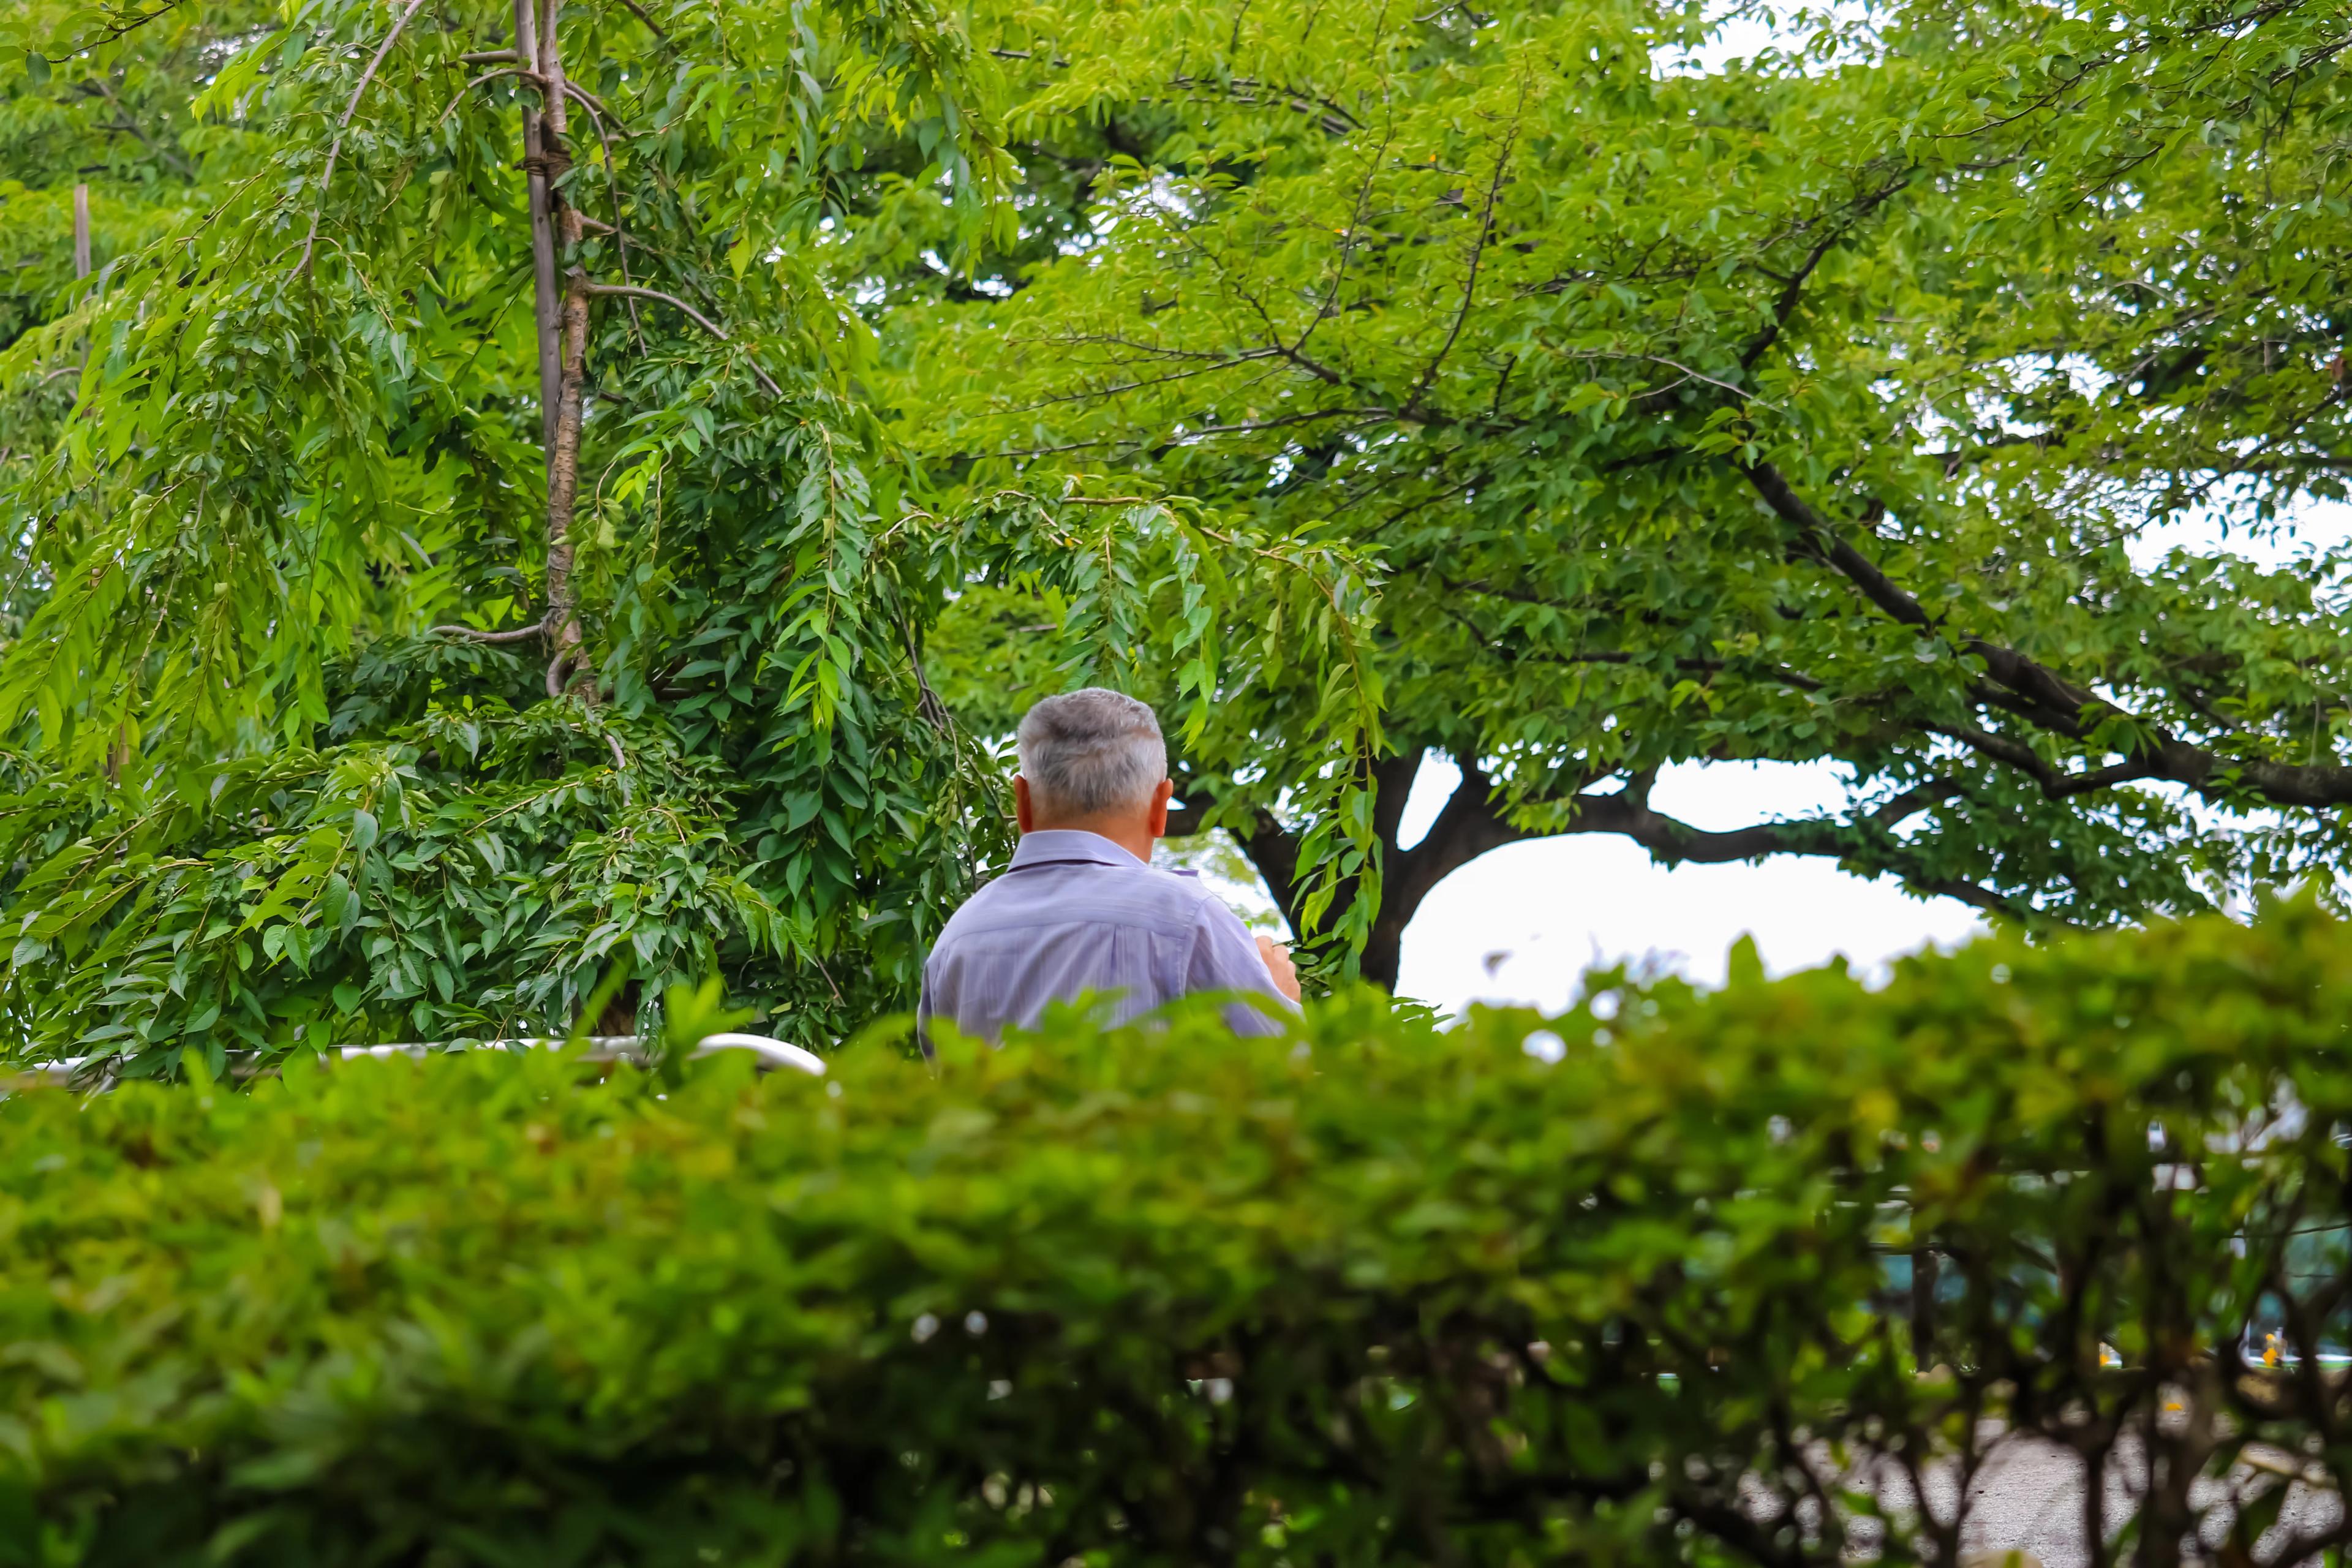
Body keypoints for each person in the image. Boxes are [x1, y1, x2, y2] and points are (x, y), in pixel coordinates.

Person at [918, 688, 1303, 1046]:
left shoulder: (959, 937)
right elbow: (1287, 1070)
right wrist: (1278, 1000)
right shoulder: (1187, 919)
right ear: (1161, 806)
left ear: (1023, 803)